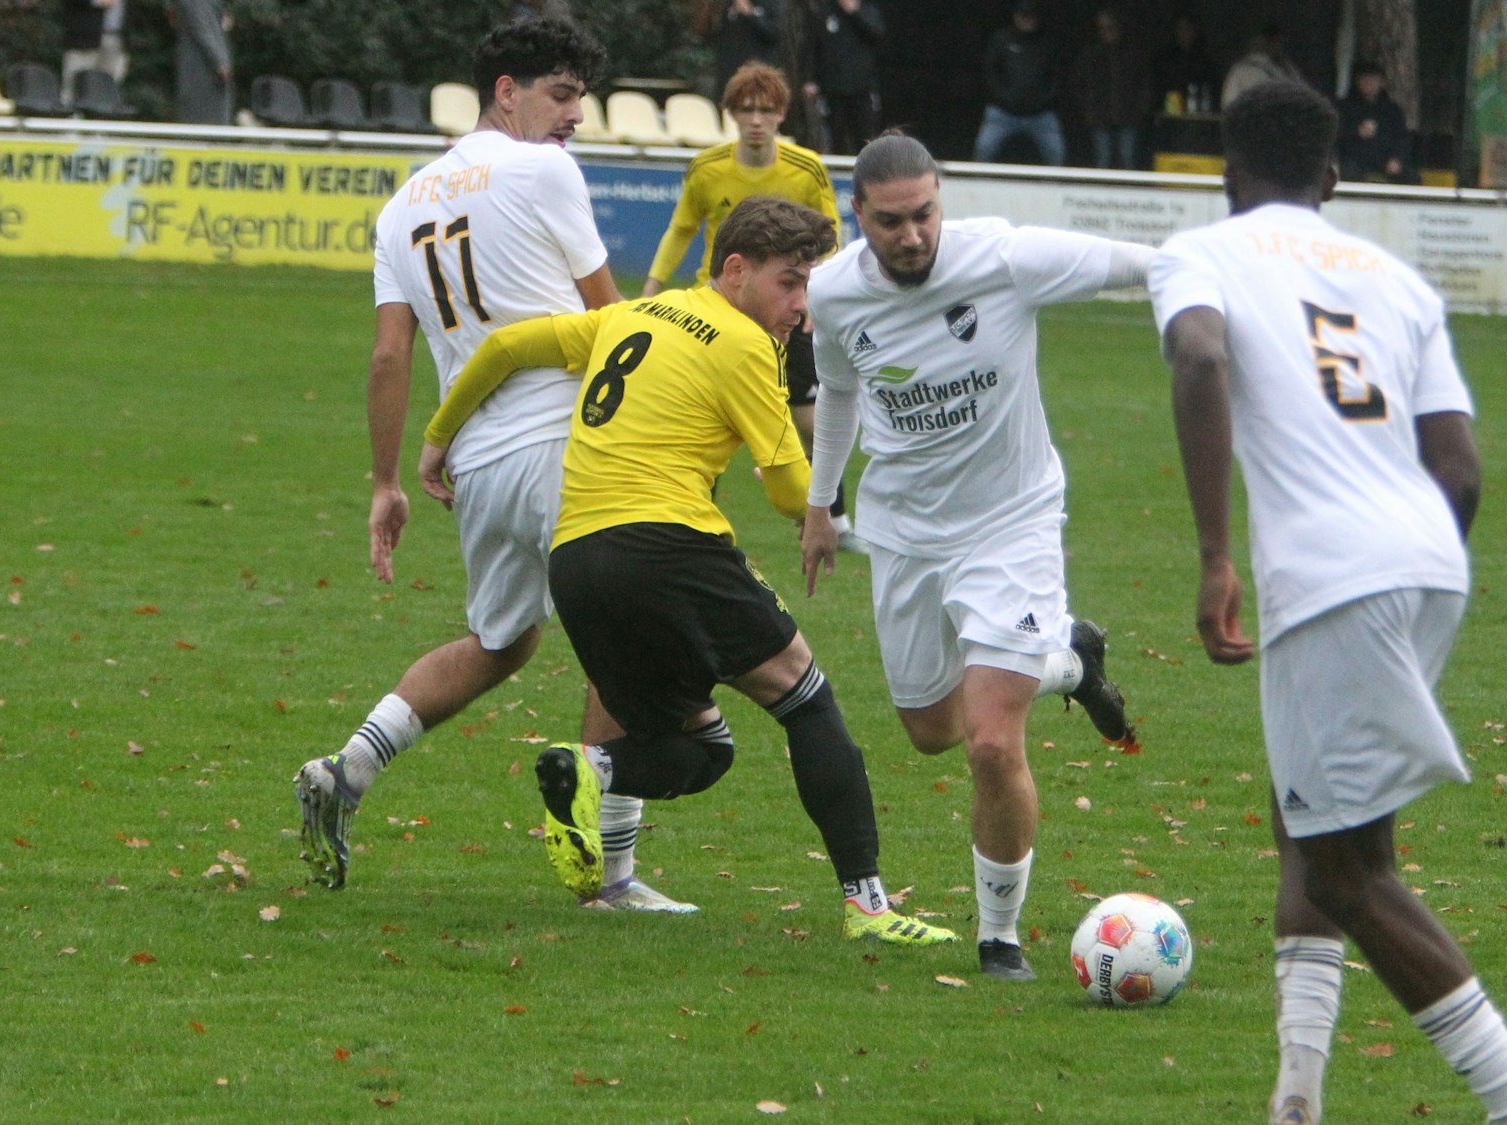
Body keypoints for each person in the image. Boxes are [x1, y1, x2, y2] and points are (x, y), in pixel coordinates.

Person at [1150, 80, 1507, 1125]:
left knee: (1349, 871)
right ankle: (1294, 1098)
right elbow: (1460, 467)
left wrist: (1214, 555)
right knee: (1312, 822)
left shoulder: (1199, 253)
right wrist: (1405, 569)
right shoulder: (1395, 277)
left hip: (1328, 574)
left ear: (1225, 173)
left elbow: (1200, 355)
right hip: (1431, 558)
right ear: (1332, 179)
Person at [417, 196, 955, 948]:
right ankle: (869, 906)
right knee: (806, 698)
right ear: (735, 270)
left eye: (808, 287)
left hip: (577, 559)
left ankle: (590, 767)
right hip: (669, 547)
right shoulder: (741, 343)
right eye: (790, 283)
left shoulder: (634, 313)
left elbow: (507, 347)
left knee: (703, 748)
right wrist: (873, 509)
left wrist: (438, 437)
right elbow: (788, 492)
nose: (801, 307)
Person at [293, 17, 695, 915]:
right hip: (564, 443)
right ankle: (611, 875)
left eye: (582, 101)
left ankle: (348, 766)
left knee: (503, 640)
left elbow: (388, 358)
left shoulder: (401, 207)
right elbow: (611, 316)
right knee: (624, 633)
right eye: (560, 96)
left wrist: (386, 480)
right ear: (505, 91)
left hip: (473, 459)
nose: (575, 118)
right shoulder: (543, 170)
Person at [799, 133, 1145, 981]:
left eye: (924, 215)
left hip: (1012, 521)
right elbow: (839, 390)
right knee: (929, 732)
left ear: (940, 203)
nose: (912, 235)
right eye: (890, 222)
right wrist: (820, 499)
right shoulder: (834, 291)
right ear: (858, 216)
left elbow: (1139, 263)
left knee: (992, 742)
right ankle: (1067, 658)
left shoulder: (1005, 259)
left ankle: (1000, 935)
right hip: (906, 532)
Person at [645, 62, 855, 544]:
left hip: (785, 312)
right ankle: (692, 520)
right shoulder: (707, 168)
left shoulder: (805, 169)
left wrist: (814, 299)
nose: (756, 119)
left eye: (766, 110)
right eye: (746, 110)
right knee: (697, 418)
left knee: (809, 418)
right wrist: (653, 286)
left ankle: (835, 519)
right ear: (732, 115)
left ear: (782, 115)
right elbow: (681, 228)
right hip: (714, 312)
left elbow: (831, 237)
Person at [972, 0, 1064, 166]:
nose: (1027, 20)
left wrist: (1044, 100)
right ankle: (979, 187)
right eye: (1023, 16)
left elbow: (1058, 76)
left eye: (1031, 16)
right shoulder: (1001, 39)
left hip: (1040, 113)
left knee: (1056, 154)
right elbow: (990, 72)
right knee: (984, 149)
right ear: (1015, 16)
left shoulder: (1048, 43)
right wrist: (1004, 97)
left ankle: (1055, 189)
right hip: (1003, 112)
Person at [1072, 6, 1151, 170]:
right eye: (1103, 28)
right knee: (1102, 160)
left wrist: (1140, 109)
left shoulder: (1133, 55)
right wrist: (1088, 109)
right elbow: (1079, 85)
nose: (1108, 32)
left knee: (1128, 159)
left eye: (1111, 27)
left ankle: (1130, 194)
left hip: (1129, 116)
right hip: (1099, 117)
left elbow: (1145, 85)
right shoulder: (1090, 55)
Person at [804, 0, 884, 156]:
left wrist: (854, 13)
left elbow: (877, 34)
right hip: (832, 89)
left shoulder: (868, 10)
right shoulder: (824, 11)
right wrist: (810, 79)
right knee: (835, 138)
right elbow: (812, 47)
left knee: (865, 138)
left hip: (862, 88)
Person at [1335, 61, 1415, 183]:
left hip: (1385, 160)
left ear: (1382, 83)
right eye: (1365, 80)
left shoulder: (1392, 110)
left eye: (1373, 80)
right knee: (1347, 172)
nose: (1369, 84)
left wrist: (1397, 159)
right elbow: (1336, 134)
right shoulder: (1344, 107)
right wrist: (1357, 132)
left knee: (1411, 176)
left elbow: (1402, 138)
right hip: (1355, 160)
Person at [702, 0, 786, 104]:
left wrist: (750, 13)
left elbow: (775, 32)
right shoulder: (727, 4)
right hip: (728, 72)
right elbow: (714, 37)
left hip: (756, 74)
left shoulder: (773, 3)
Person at [168, 0, 232, 125]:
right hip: (202, 67)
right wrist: (219, 61)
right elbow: (202, 29)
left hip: (204, 64)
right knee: (203, 116)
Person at [1152, 11, 1221, 115]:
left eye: (1187, 29)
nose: (1183, 34)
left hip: (1198, 116)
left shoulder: (1205, 61)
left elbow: (1211, 89)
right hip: (1170, 115)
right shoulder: (1166, 59)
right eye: (1180, 29)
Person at [61, 0, 127, 105]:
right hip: (84, 37)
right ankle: (71, 116)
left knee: (110, 88)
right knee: (75, 83)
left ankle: (105, 117)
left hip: (116, 38)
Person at [1221, 23, 1301, 110]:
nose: (1277, 46)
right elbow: (1229, 105)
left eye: (1278, 42)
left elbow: (1302, 95)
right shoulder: (1241, 70)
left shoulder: (1288, 69)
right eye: (1273, 41)